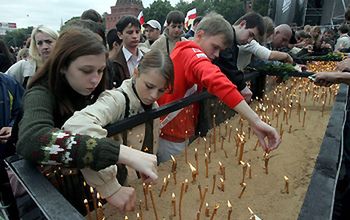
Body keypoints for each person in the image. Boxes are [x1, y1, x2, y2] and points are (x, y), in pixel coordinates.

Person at [16, 27, 157, 213]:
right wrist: (120, 153)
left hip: (92, 189)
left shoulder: (96, 86)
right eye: (86, 71)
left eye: (100, 71)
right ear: (63, 65)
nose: (95, 79)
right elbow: (31, 139)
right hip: (58, 196)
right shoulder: (40, 93)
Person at [156, 13, 280, 162]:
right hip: (172, 133)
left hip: (174, 129)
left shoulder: (185, 51)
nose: (216, 55)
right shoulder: (191, 53)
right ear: (200, 35)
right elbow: (216, 80)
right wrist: (256, 121)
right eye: (215, 47)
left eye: (220, 51)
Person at [63, 49, 173, 208]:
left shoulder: (151, 103)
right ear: (136, 73)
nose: (154, 95)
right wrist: (111, 187)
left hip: (136, 187)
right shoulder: (116, 100)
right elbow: (75, 126)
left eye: (161, 90)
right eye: (149, 86)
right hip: (110, 196)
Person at [0, 71, 24, 220]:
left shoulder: (8, 82)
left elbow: (21, 111)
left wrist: (12, 127)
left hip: (7, 157)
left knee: (11, 197)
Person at [112, 15, 148, 88]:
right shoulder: (114, 63)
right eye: (130, 32)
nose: (135, 36)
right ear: (120, 35)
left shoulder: (147, 57)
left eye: (137, 32)